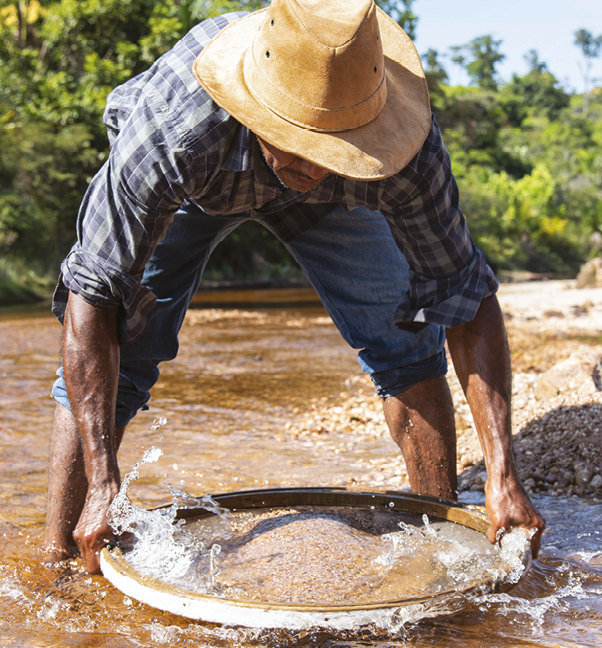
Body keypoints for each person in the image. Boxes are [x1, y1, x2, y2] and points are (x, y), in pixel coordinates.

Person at [44, 0, 545, 574]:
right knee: (125, 356)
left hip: (342, 199)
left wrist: (503, 475)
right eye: (297, 142)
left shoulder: (403, 155)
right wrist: (105, 477)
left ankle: (435, 539)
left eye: (329, 147)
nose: (311, 166)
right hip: (198, 186)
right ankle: (61, 559)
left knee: (406, 346)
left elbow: (465, 295)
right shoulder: (175, 128)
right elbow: (93, 293)